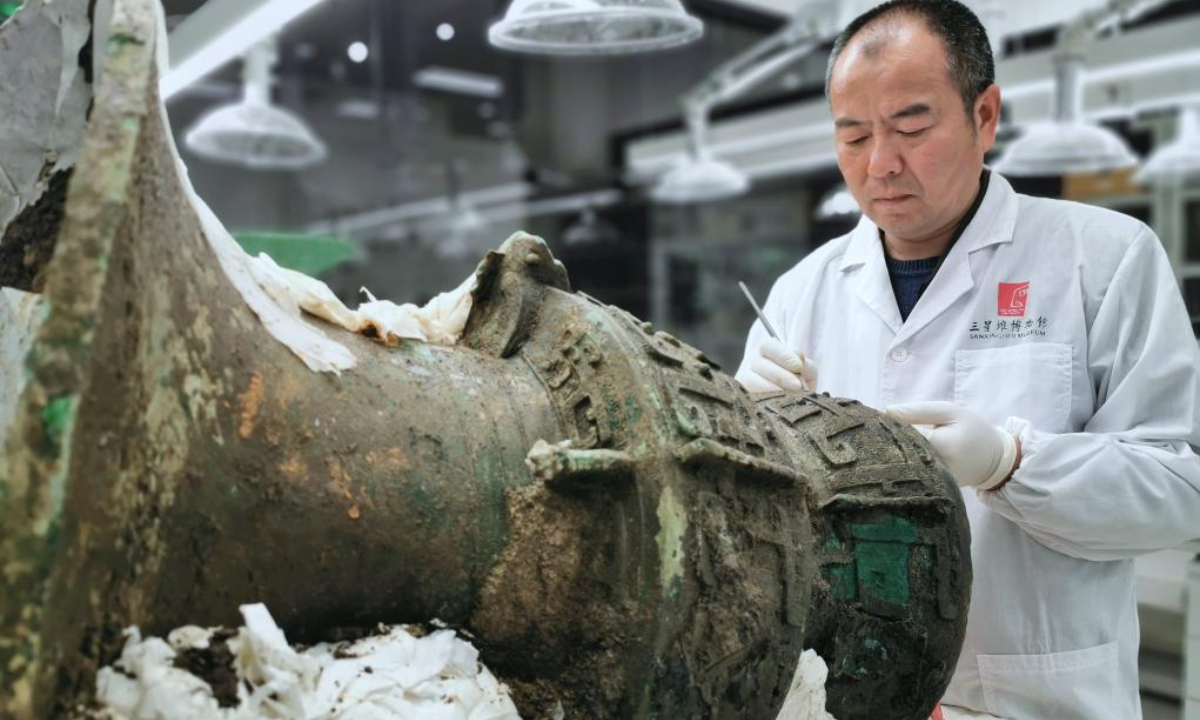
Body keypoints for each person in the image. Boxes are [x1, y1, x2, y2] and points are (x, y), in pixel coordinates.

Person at [734, 1, 1200, 719]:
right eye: (853, 136)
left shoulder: (1104, 258)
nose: (881, 163)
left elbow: (1180, 489)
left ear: (984, 115)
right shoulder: (802, 291)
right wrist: (743, 433)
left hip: (1037, 695)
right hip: (852, 694)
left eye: (911, 127)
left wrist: (1011, 465)